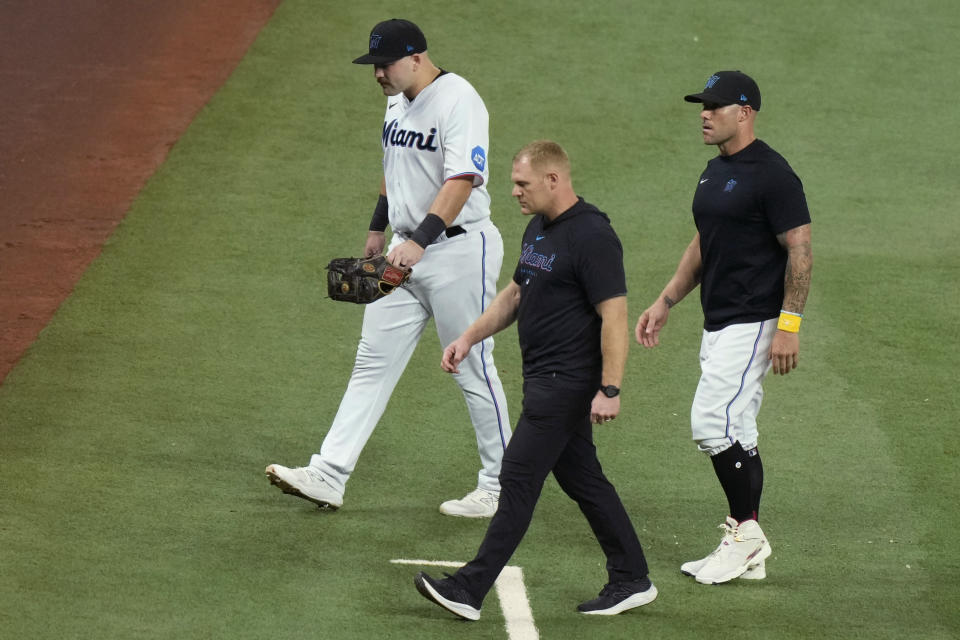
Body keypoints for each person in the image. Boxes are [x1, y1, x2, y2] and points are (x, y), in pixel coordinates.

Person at [265, 18, 511, 517]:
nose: (377, 74)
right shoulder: (396, 100)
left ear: (417, 57)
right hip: (402, 252)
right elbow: (392, 164)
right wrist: (380, 228)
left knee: (470, 364)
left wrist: (420, 240)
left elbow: (463, 178)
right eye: (374, 65)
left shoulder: (459, 99)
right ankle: (329, 474)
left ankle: (501, 485)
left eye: (385, 64)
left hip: (458, 251)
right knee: (371, 361)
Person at [414, 141, 656, 620]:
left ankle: (468, 588)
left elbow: (614, 315)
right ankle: (631, 577)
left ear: (553, 180)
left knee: (518, 477)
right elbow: (517, 292)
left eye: (523, 184)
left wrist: (610, 389)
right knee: (585, 480)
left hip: (566, 381)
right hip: (541, 378)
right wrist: (469, 337)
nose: (514, 192)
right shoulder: (539, 228)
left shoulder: (592, 235)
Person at [635, 70, 813, 584]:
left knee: (711, 423)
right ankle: (745, 539)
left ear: (745, 112)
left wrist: (789, 325)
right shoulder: (714, 172)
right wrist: (667, 299)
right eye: (702, 106)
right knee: (738, 429)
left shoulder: (774, 174)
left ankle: (748, 538)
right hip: (718, 321)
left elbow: (799, 250)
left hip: (754, 321)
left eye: (714, 106)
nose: (704, 114)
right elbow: (704, 241)